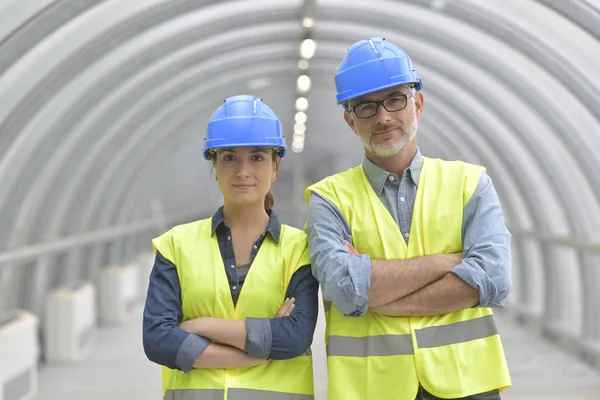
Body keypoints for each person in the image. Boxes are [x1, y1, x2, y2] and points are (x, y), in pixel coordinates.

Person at [305, 38, 512, 400]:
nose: (383, 116)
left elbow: (491, 279)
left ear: (417, 102)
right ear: (350, 121)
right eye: (366, 107)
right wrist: (450, 262)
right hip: (371, 388)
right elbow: (346, 289)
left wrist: (374, 291)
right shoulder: (327, 198)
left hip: (467, 384)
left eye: (395, 100)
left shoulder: (470, 183)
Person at [143, 94, 319, 400]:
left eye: (257, 157)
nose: (243, 170)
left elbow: (293, 337)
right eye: (229, 157)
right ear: (213, 164)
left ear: (275, 167)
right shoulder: (175, 245)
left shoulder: (300, 249)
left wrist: (200, 325)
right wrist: (257, 351)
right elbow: (158, 339)